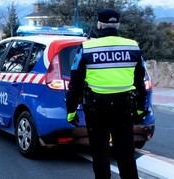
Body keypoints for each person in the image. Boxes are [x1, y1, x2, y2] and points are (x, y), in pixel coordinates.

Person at [65, 9, 148, 179]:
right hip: (124, 107)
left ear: (99, 24)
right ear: (117, 24)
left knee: (100, 152)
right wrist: (141, 109)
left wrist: (71, 111)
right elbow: (140, 82)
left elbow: (75, 84)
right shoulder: (132, 46)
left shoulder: (86, 47)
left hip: (97, 108)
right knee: (126, 153)